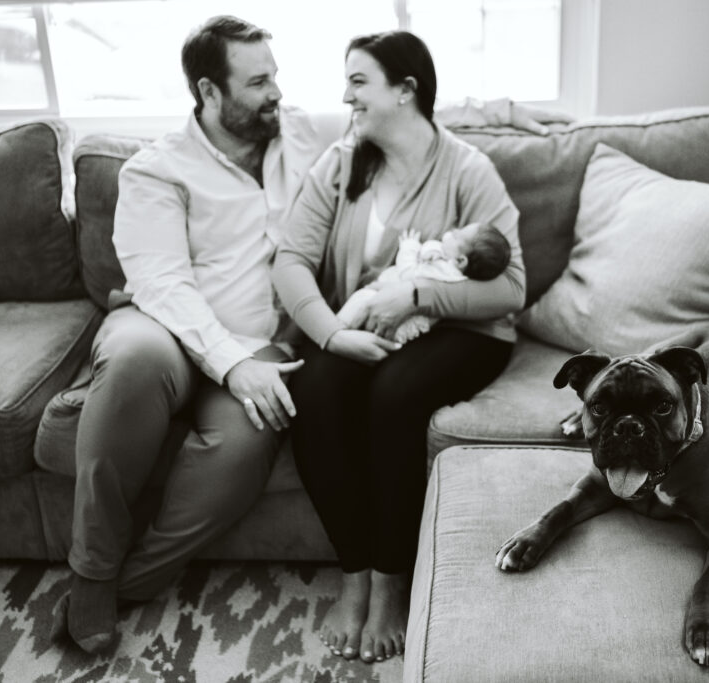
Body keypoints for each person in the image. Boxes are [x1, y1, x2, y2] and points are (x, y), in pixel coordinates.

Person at [57, 15, 557, 655]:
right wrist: (280, 351)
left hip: (288, 344)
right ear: (210, 93)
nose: (279, 93)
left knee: (278, 434)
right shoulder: (161, 170)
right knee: (154, 369)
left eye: (276, 77)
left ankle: (137, 579)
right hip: (167, 329)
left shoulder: (309, 135)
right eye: (259, 80)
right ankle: (94, 571)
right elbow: (188, 282)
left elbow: (419, 114)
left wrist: (508, 108)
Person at [272, 31, 525, 664]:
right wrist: (330, 333)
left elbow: (512, 287)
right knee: (317, 392)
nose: (345, 94)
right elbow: (291, 261)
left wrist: (415, 298)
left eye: (358, 80)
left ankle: (390, 582)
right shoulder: (342, 162)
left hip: (460, 333)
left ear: (406, 90)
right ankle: (353, 571)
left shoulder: (468, 170)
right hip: (357, 324)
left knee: (394, 398)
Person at [336, 222, 511, 343]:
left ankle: (338, 330)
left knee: (361, 300)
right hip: (405, 323)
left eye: (457, 235)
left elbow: (408, 274)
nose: (451, 232)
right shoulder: (454, 271)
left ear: (461, 261)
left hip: (397, 320)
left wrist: (409, 246)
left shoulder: (443, 270)